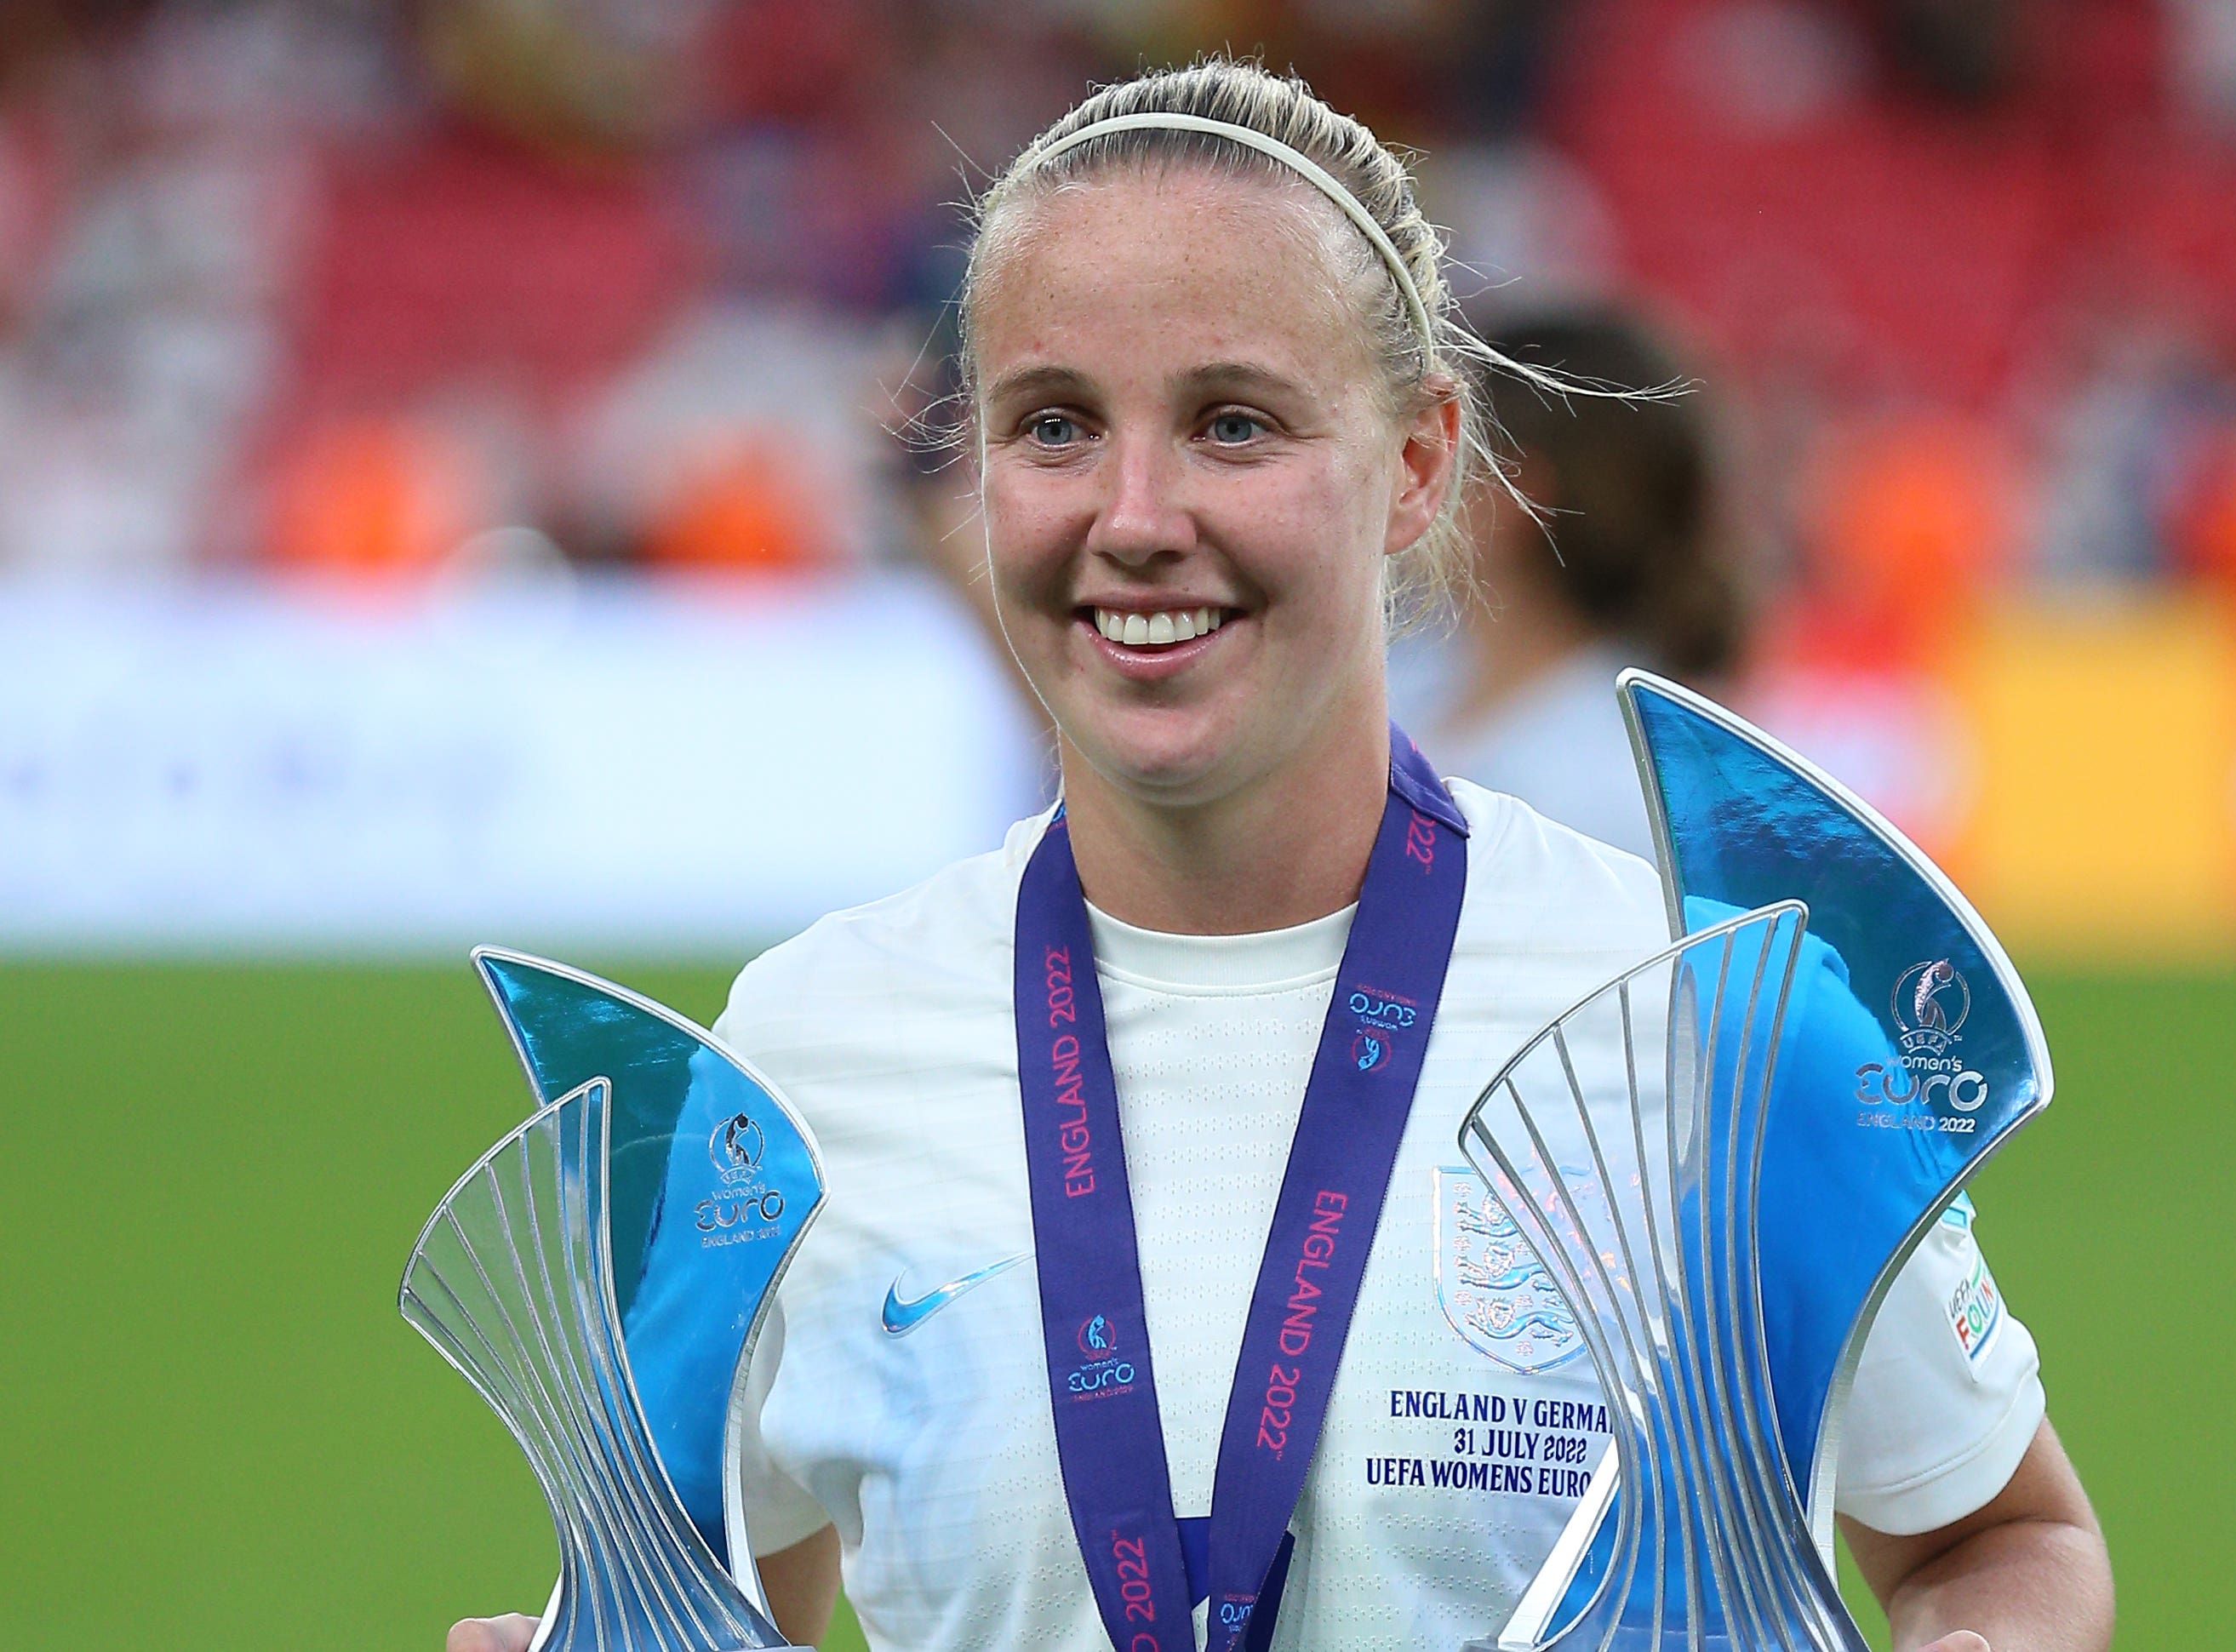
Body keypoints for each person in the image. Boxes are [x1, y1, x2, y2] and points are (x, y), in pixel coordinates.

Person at [449, 60, 2112, 1652]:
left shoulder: (1709, 1014)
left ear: (1414, 464)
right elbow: (711, 1603)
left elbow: (1994, 1531)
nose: (1136, 511)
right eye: (1050, 425)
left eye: (1234, 423)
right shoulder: (805, 1057)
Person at [1390, 305, 1746, 863]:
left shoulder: (1610, 790)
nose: (1408, 473)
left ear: (1518, 491)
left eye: (1440, 450)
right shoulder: (1407, 687)